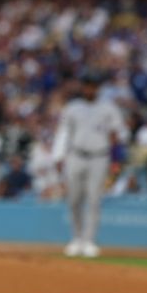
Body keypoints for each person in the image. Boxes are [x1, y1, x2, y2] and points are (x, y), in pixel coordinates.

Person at [52, 69, 129, 258]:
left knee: (94, 200)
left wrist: (116, 158)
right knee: (74, 199)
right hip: (76, 155)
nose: (90, 89)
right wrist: (59, 157)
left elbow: (118, 134)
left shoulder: (108, 108)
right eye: (87, 85)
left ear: (98, 88)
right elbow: (63, 133)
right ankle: (76, 238)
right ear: (83, 87)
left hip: (99, 156)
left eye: (93, 86)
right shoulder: (73, 107)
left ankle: (89, 241)